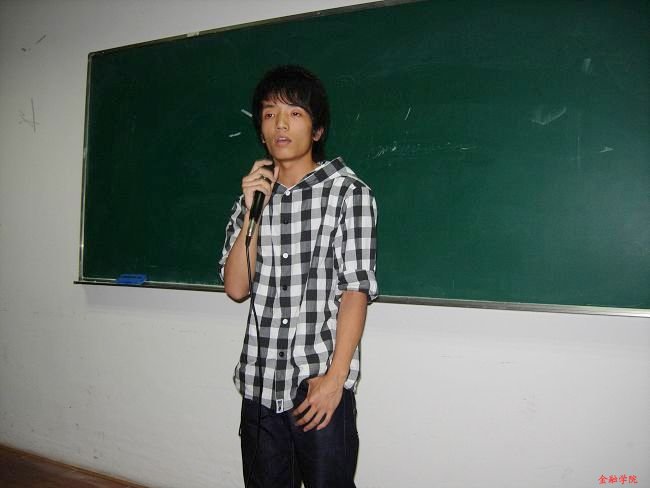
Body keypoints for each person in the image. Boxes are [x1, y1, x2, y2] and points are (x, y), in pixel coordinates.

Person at [218, 65, 377, 488]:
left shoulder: (348, 193)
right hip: (259, 383)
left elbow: (355, 291)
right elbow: (236, 287)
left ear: (317, 129)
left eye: (295, 113)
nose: (281, 124)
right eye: (270, 114)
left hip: (317, 385)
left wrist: (335, 381)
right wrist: (252, 210)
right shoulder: (251, 198)